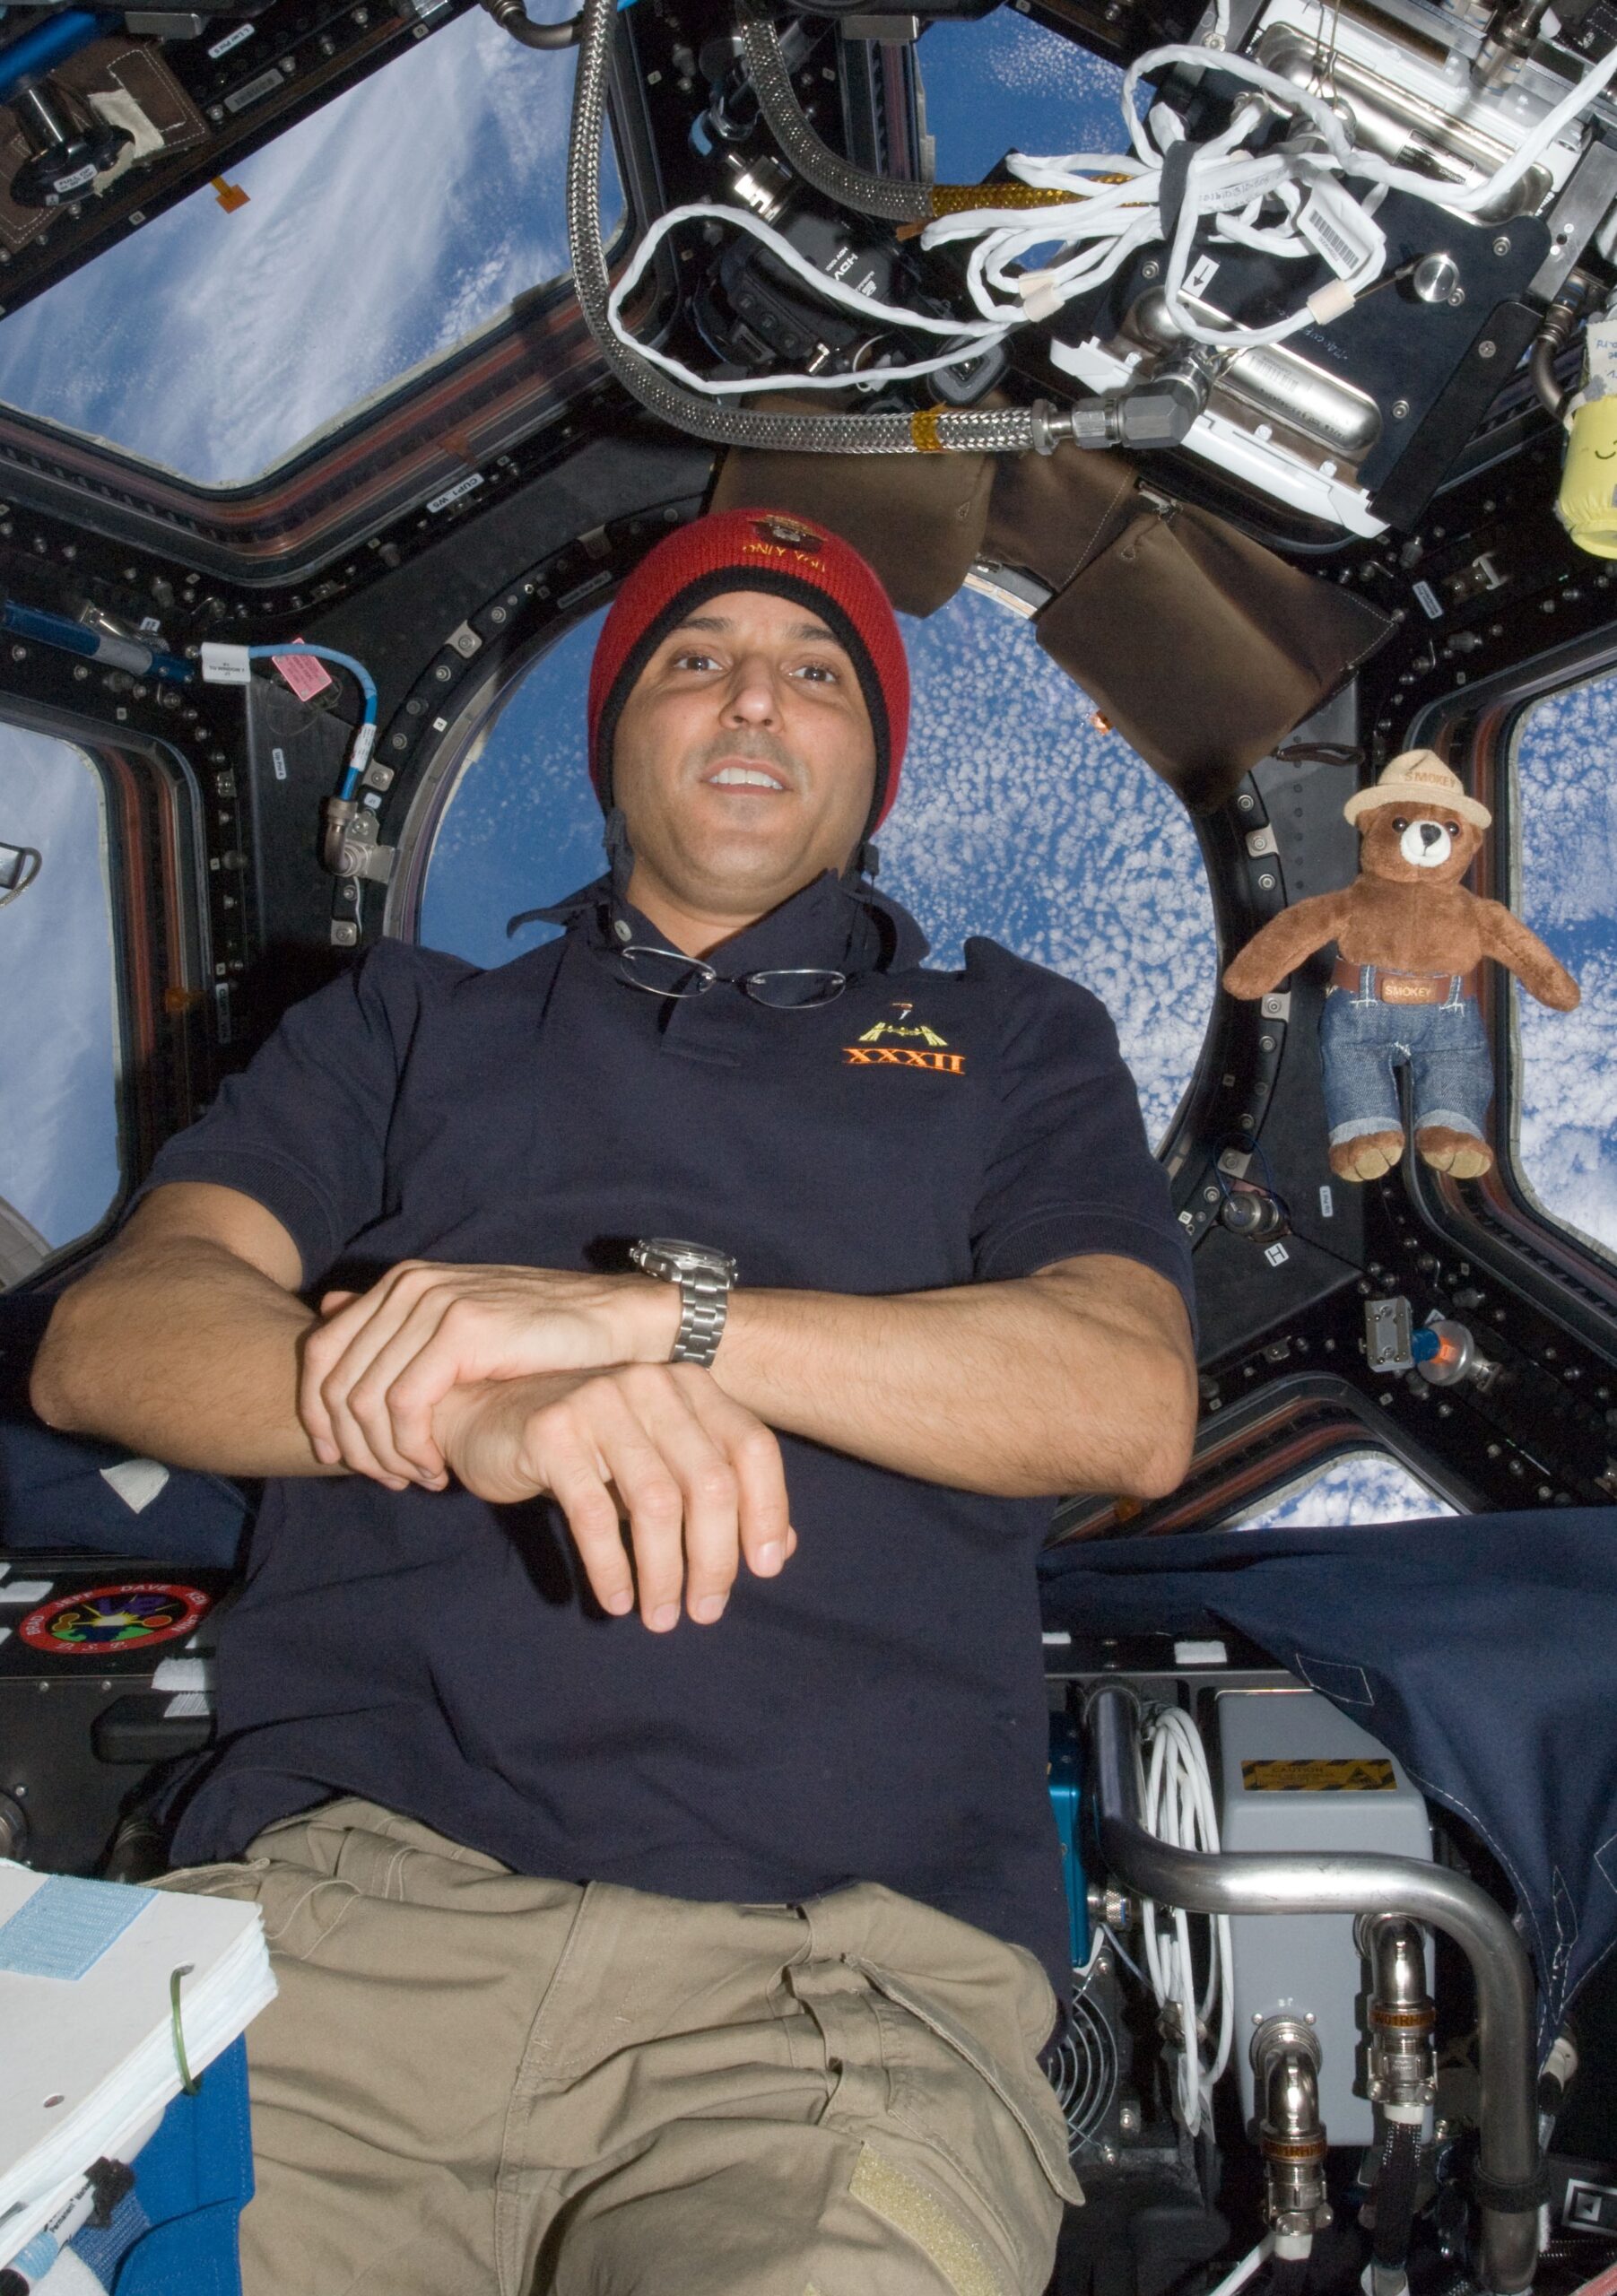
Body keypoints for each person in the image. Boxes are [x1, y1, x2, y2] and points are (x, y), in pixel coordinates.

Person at [31, 509, 1198, 2296]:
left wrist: (650, 1321)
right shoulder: (399, 1024)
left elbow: (1119, 1395)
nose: (753, 700)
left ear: (870, 763)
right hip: (324, 1932)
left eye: (815, 672)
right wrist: (457, 1404)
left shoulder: (1012, 1041)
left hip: (834, 1998)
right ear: (611, 740)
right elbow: (118, 1334)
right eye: (694, 658)